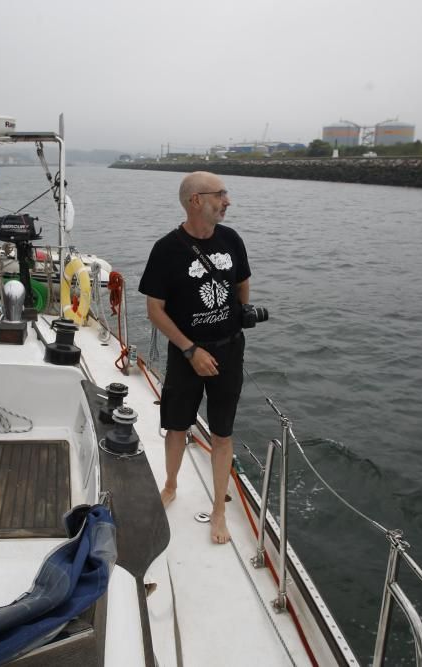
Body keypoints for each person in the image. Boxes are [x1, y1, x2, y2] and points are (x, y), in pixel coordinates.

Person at [138, 171, 250, 544]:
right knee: (177, 425)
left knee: (222, 432)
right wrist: (190, 349)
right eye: (221, 194)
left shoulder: (231, 239)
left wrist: (234, 322)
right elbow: (155, 308)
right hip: (186, 352)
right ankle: (170, 485)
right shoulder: (166, 249)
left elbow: (242, 285)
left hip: (228, 352)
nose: (228, 200)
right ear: (196, 201)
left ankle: (219, 509)